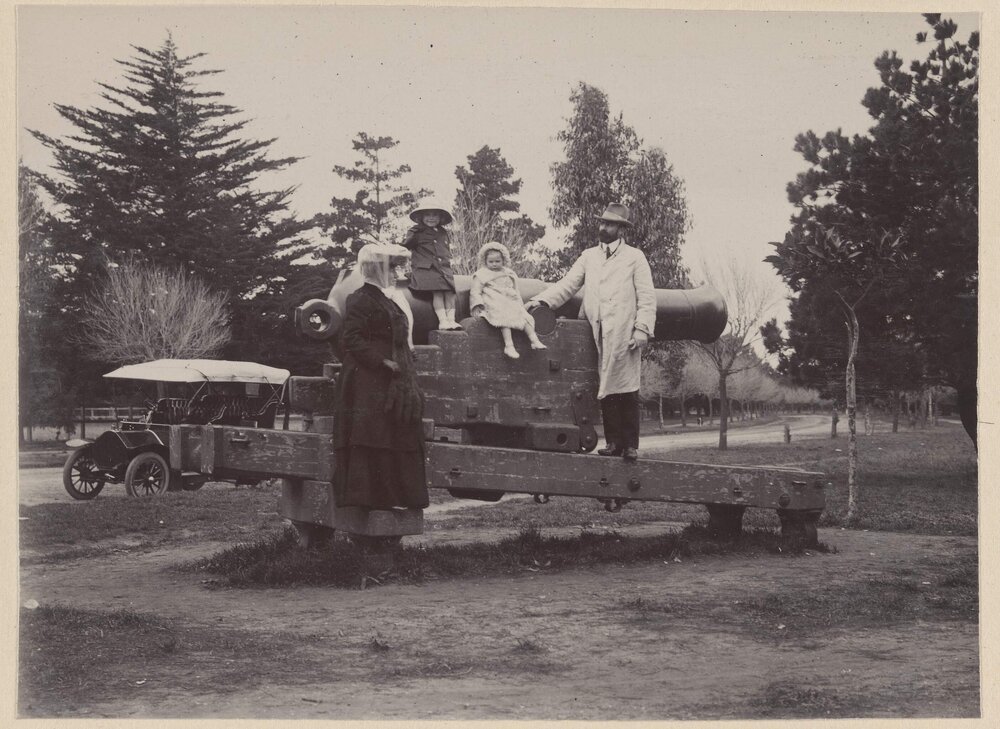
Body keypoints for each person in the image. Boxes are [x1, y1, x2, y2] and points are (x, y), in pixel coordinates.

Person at [527, 203, 655, 462]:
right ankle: (613, 443)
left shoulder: (634, 257)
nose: (602, 228)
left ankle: (630, 445)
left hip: (623, 329)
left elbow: (647, 296)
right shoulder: (589, 256)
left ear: (620, 229)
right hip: (595, 329)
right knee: (605, 386)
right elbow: (568, 285)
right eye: (601, 223)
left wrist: (642, 329)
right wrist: (541, 301)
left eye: (609, 224)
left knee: (626, 387)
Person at [332, 243, 429, 510]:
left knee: (396, 433)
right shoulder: (360, 298)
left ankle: (398, 497)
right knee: (376, 436)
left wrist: (404, 357)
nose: (395, 272)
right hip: (368, 379)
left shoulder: (387, 299)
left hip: (394, 377)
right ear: (376, 269)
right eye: (390, 267)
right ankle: (375, 500)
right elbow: (351, 339)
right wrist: (383, 361)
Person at [470, 241, 547, 359]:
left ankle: (534, 340)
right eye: (491, 262)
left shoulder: (509, 273)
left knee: (524, 316)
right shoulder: (481, 274)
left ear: (503, 260)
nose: (494, 264)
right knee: (503, 316)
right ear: (485, 261)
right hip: (493, 298)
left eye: (497, 261)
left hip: (508, 299)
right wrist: (477, 304)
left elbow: (515, 290)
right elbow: (475, 291)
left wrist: (519, 303)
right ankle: (509, 346)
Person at [403, 200, 462, 330]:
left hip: (443, 269)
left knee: (450, 293)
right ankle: (443, 321)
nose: (431, 218)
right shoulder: (416, 232)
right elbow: (405, 247)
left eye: (435, 215)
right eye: (427, 215)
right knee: (438, 292)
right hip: (426, 269)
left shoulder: (443, 232)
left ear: (440, 218)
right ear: (421, 217)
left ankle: (451, 320)